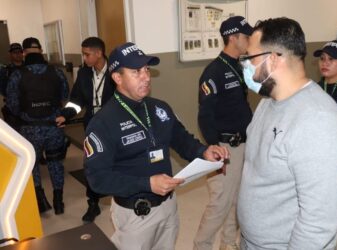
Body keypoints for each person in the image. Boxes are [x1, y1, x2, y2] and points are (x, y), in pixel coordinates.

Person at [83, 42, 229, 250]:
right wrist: (146, 184)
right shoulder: (102, 122)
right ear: (117, 78)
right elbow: (97, 179)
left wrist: (203, 151)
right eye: (136, 71)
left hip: (168, 207)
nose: (146, 76)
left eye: (147, 69)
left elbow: (181, 138)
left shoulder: (160, 108)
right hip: (135, 215)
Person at [237, 17, 337, 249]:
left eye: (249, 58)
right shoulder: (266, 103)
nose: (245, 65)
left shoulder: (317, 121)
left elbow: (318, 223)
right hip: (252, 242)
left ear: (273, 59)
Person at [194, 16, 253, 250]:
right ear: (233, 37)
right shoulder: (213, 72)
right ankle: (201, 246)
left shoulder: (240, 66)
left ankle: (228, 244)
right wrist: (216, 149)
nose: (249, 39)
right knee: (219, 204)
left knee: (236, 201)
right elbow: (204, 115)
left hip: (242, 145)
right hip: (225, 149)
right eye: (246, 36)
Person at [6, 37, 69, 215]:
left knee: (32, 165)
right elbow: (64, 95)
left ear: (24, 52)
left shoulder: (17, 75)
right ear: (41, 50)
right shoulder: (56, 72)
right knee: (55, 163)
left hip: (29, 128)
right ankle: (59, 201)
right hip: (54, 127)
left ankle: (40, 200)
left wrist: (25, 115)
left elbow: (12, 104)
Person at [56, 37, 114, 222]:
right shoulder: (83, 73)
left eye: (87, 54)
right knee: (92, 163)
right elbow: (76, 100)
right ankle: (93, 204)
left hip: (114, 125)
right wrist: (66, 114)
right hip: (92, 125)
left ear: (99, 53)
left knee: (120, 162)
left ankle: (123, 198)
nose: (84, 58)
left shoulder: (117, 71)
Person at [313, 40, 337, 250]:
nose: (325, 63)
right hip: (318, 161)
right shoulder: (315, 89)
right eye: (322, 59)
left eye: (332, 59)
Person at [1, 43, 24, 130]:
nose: (18, 54)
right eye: (15, 52)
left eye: (20, 52)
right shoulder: (5, 71)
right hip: (12, 108)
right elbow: (3, 89)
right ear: (10, 54)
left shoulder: (29, 68)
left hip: (28, 106)